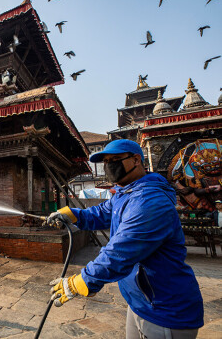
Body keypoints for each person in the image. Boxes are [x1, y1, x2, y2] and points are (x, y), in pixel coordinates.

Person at [47, 139, 203, 339]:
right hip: (140, 302)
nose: (109, 166)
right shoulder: (125, 193)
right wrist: (72, 214)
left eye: (116, 160)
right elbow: (101, 212)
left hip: (166, 310)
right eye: (106, 161)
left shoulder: (149, 201)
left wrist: (83, 280)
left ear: (136, 160)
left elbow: (120, 252)